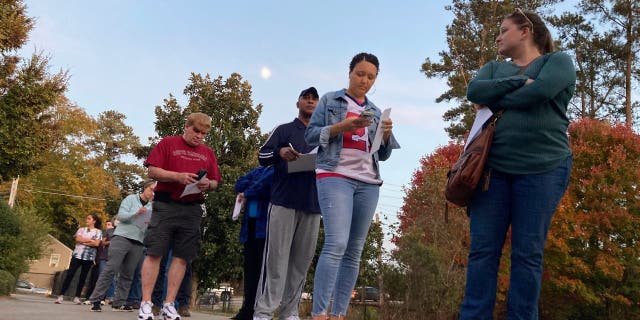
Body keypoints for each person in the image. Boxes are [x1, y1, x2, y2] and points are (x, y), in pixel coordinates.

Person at [459, 9, 575, 319]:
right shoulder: (493, 68)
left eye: (504, 29)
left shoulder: (557, 62)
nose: (497, 36)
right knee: (483, 252)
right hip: (492, 173)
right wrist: (521, 81)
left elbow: (539, 92)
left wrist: (496, 96)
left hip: (544, 170)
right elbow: (474, 91)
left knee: (527, 255)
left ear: (525, 31)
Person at [304, 52, 399, 320]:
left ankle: (339, 314)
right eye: (360, 74)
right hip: (335, 174)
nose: (364, 80)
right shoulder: (330, 100)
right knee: (336, 242)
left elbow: (382, 155)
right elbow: (310, 135)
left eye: (371, 77)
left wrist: (387, 135)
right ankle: (319, 313)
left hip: (368, 181)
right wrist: (342, 127)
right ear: (350, 72)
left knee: (355, 250)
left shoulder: (377, 111)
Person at [139, 112, 221, 320]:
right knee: (155, 252)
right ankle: (146, 303)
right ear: (187, 126)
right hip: (166, 204)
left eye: (203, 133)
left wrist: (207, 184)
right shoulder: (168, 143)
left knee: (182, 257)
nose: (199, 136)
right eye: (196, 131)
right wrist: (177, 176)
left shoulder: (208, 152)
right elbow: (152, 171)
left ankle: (169, 304)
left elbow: (215, 182)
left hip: (192, 207)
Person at [253, 87, 322, 320]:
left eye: (314, 99)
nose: (310, 102)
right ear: (298, 103)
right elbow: (262, 157)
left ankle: (289, 312)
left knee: (301, 263)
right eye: (306, 98)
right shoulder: (284, 130)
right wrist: (280, 152)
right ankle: (263, 312)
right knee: (276, 260)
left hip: (313, 204)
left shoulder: (325, 133)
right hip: (283, 201)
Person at [88, 180, 156, 312]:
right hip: (122, 237)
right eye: (152, 190)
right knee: (111, 269)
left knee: (128, 274)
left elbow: (150, 227)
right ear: (145, 189)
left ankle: (119, 303)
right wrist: (136, 214)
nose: (153, 193)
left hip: (138, 241)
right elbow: (121, 216)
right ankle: (96, 300)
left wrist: (150, 223)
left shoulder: (152, 207)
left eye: (155, 191)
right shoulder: (131, 199)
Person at [231, 165, 274, 320]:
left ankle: (261, 311)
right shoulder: (259, 170)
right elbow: (239, 183)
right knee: (250, 272)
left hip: (266, 228)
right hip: (250, 228)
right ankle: (247, 309)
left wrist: (248, 191)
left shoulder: (276, 168)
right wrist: (252, 187)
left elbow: (266, 185)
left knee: (264, 273)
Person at [55, 214, 103, 304]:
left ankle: (77, 297)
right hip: (77, 255)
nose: (87, 220)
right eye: (87, 218)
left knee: (83, 277)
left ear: (94, 221)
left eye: (89, 218)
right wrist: (90, 241)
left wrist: (83, 241)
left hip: (89, 257)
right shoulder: (81, 229)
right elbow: (77, 239)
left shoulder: (98, 232)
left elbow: (96, 244)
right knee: (70, 274)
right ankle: (61, 295)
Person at [83, 217, 116, 303]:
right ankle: (95, 298)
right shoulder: (107, 232)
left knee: (112, 278)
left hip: (114, 258)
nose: (107, 226)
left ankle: (108, 297)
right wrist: (110, 242)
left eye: (109, 224)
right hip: (103, 257)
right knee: (101, 277)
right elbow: (101, 243)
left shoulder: (121, 232)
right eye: (107, 224)